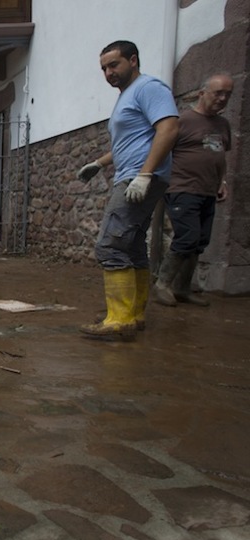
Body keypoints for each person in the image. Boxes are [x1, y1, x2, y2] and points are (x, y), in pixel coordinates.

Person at [76, 40, 179, 341]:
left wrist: (145, 174)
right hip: (133, 174)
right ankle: (133, 314)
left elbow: (169, 128)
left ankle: (118, 320)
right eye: (104, 68)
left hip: (139, 177)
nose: (109, 72)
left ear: (133, 60)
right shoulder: (127, 96)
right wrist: (99, 162)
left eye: (114, 65)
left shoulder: (149, 88)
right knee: (132, 246)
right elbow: (133, 141)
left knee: (110, 245)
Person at [153, 73, 233, 307]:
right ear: (202, 93)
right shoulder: (183, 120)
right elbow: (162, 150)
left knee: (199, 241)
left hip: (208, 190)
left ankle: (182, 288)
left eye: (227, 94)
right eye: (218, 93)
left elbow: (220, 158)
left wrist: (223, 182)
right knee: (187, 236)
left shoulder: (223, 124)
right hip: (182, 187)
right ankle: (162, 284)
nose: (222, 98)